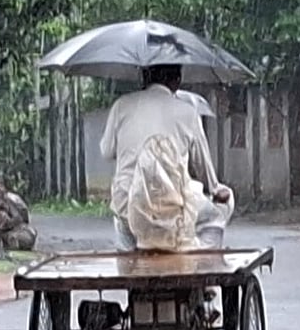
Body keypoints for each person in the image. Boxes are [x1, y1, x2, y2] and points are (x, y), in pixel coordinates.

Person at [100, 64, 233, 252]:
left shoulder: (121, 105)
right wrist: (217, 190)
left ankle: (127, 262)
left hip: (128, 205)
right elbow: (205, 173)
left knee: (121, 220)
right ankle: (207, 267)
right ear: (177, 80)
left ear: (143, 77)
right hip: (174, 207)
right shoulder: (188, 112)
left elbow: (107, 152)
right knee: (214, 218)